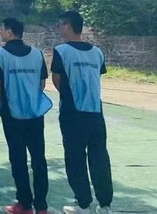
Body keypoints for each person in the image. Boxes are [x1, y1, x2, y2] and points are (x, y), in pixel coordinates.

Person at [52, 11, 113, 214]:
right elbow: (96, 76)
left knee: (75, 158)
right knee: (99, 158)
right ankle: (105, 204)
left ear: (68, 26)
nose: (58, 28)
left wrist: (70, 97)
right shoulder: (97, 52)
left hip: (73, 113)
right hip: (95, 111)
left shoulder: (61, 51)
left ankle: (83, 204)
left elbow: (57, 79)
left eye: (60, 25)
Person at [0, 18, 52, 214]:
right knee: (38, 159)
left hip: (12, 114)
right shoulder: (37, 54)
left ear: (9, 31)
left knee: (18, 159)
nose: (0, 32)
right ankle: (41, 206)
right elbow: (42, 83)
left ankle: (24, 204)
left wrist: (2, 104)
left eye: (1, 29)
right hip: (35, 113)